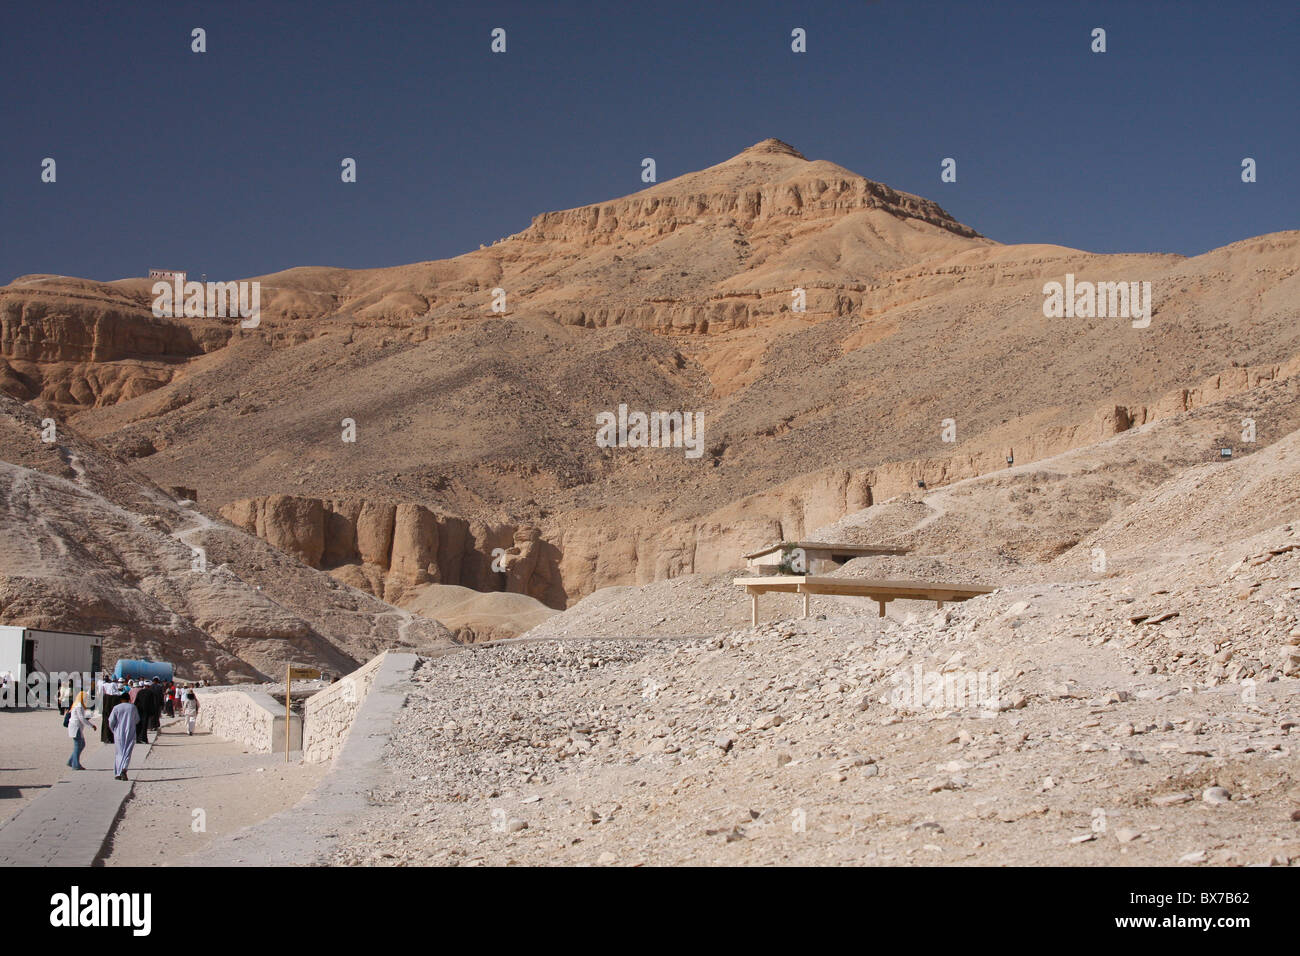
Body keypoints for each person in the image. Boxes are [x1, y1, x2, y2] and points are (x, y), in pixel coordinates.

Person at [108, 692, 140, 780]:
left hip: (118, 732)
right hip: (130, 732)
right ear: (129, 699)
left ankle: (118, 772)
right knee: (127, 752)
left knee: (119, 753)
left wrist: (113, 730)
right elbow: (137, 720)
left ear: (121, 699)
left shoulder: (116, 708)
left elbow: (111, 721)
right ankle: (124, 769)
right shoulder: (133, 707)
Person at [66, 691, 95, 770]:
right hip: (75, 726)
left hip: (77, 726)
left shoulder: (80, 704)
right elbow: (81, 718)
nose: (86, 699)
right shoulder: (78, 705)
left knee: (81, 744)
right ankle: (75, 764)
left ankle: (71, 760)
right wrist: (91, 725)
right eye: (85, 697)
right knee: (78, 745)